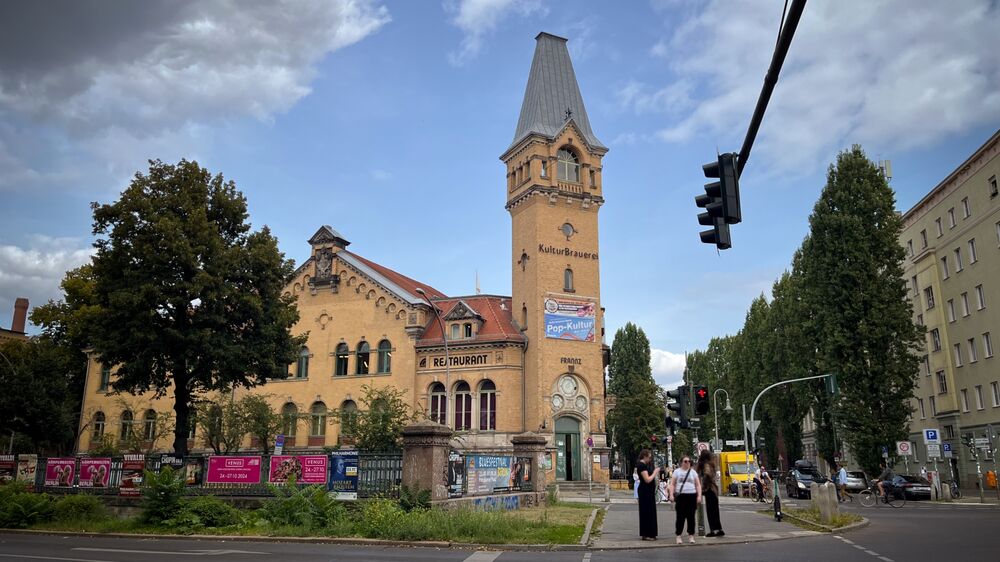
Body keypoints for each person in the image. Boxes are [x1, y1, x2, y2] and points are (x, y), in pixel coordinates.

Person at [669, 455, 702, 544]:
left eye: (689, 461)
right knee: (680, 517)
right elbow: (672, 484)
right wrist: (671, 495)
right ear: (681, 462)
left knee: (691, 517)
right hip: (681, 496)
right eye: (685, 461)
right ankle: (678, 535)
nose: (688, 463)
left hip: (691, 495)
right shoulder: (677, 472)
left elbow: (698, 485)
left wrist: (699, 496)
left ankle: (691, 535)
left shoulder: (693, 472)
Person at [697, 450, 724, 537]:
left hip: (709, 489)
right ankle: (719, 529)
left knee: (710, 510)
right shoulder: (711, 464)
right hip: (714, 489)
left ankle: (713, 530)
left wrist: (702, 486)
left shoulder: (705, 465)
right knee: (715, 510)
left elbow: (706, 474)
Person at [635, 449, 660, 540]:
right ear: (644, 456)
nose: (650, 459)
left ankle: (650, 533)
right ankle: (647, 533)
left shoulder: (645, 465)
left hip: (648, 491)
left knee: (650, 512)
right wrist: (655, 472)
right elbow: (647, 479)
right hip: (645, 491)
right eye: (649, 457)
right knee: (647, 512)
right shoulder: (641, 466)